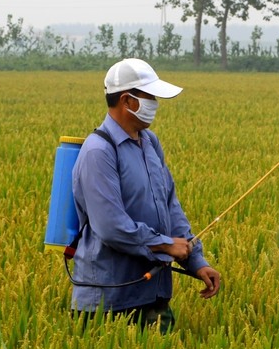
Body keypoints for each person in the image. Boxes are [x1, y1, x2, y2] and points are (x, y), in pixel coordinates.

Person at [70, 57, 220, 331]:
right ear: (127, 101)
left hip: (154, 294)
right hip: (109, 301)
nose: (155, 104)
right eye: (150, 96)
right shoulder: (98, 152)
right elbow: (110, 226)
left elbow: (170, 207)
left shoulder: (150, 143)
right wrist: (165, 245)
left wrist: (196, 262)